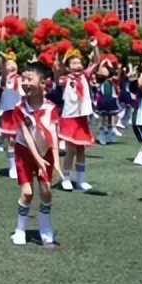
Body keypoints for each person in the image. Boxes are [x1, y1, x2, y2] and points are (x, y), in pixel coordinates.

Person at [10, 62, 60, 246]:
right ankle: (20, 229)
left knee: (46, 191)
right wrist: (37, 159)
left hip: (45, 152)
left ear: (43, 83)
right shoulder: (19, 109)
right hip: (25, 152)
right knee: (28, 192)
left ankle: (45, 227)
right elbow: (27, 137)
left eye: (29, 79)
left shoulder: (51, 108)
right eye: (23, 79)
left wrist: (55, 161)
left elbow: (53, 135)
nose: (25, 83)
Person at [56, 40, 100, 191]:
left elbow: (96, 62)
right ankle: (66, 178)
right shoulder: (65, 79)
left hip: (82, 118)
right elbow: (58, 71)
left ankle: (81, 180)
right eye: (73, 63)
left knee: (81, 150)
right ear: (68, 66)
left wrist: (95, 47)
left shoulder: (85, 76)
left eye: (79, 62)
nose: (77, 65)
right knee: (71, 150)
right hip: (69, 118)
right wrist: (62, 60)